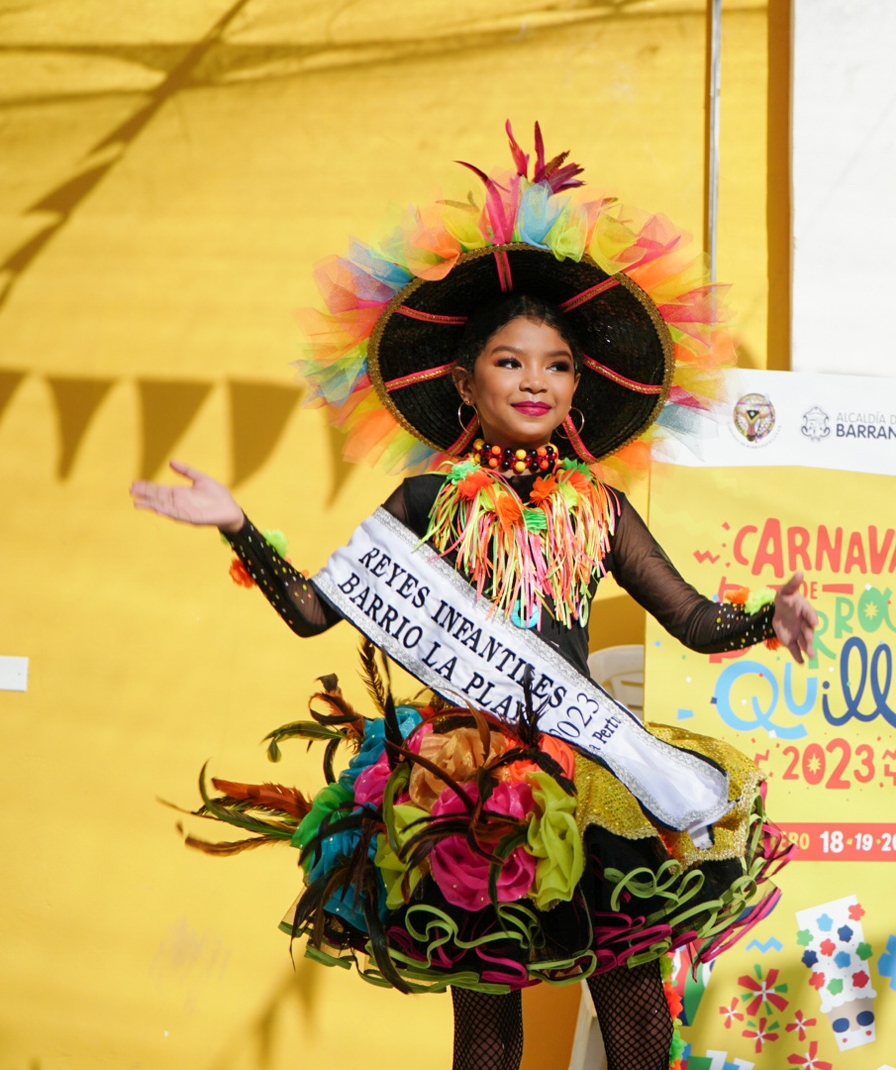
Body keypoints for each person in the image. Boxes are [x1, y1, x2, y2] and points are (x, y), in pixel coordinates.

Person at [131, 124, 817, 1070]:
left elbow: (694, 620)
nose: (536, 380)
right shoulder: (425, 500)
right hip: (466, 780)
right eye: (510, 361)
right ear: (463, 380)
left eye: (558, 365)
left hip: (592, 768)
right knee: (486, 1019)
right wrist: (237, 522)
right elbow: (312, 612)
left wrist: (764, 620)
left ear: (578, 389)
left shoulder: (600, 507)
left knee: (631, 997)